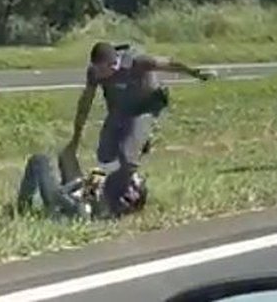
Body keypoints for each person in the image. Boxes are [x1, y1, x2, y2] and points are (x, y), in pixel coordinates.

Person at [61, 41, 214, 215]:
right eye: (96, 70)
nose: (100, 76)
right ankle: (128, 184)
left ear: (113, 64)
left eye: (103, 71)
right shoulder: (95, 73)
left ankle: (113, 201)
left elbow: (169, 63)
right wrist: (76, 136)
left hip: (146, 108)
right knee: (105, 155)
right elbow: (85, 103)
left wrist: (195, 73)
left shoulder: (137, 62)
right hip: (120, 109)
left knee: (127, 156)